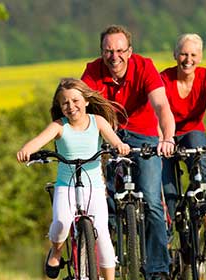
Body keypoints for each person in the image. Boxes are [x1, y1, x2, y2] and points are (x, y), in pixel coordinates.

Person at [80, 24, 176, 280]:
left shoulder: (144, 67)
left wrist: (167, 138)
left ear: (130, 51)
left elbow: (161, 105)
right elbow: (79, 105)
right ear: (102, 52)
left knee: (153, 201)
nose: (114, 56)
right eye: (109, 51)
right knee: (101, 199)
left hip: (143, 135)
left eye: (120, 50)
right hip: (109, 135)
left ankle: (158, 269)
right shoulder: (92, 70)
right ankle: (105, 257)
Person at [16, 78, 130, 280]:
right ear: (60, 107)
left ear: (86, 101)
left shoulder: (98, 122)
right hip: (66, 187)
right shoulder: (59, 125)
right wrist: (26, 150)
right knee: (61, 222)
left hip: (94, 187)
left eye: (75, 100)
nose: (71, 106)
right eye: (65, 103)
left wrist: (120, 146)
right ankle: (56, 251)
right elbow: (38, 141)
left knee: (102, 233)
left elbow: (114, 141)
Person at [159, 33, 206, 230]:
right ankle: (170, 236)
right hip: (166, 134)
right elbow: (155, 113)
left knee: (199, 159)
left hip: (192, 132)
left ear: (200, 57)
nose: (188, 60)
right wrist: (163, 140)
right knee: (168, 188)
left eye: (193, 55)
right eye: (183, 54)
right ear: (175, 55)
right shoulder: (164, 78)